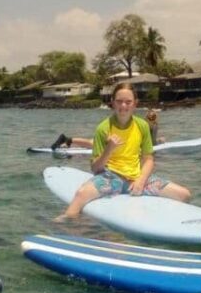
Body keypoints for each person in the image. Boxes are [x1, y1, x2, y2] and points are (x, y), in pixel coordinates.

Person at [55, 82, 191, 220]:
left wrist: (141, 181)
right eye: (119, 101)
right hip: (112, 179)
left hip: (138, 179)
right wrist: (109, 148)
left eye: (128, 102)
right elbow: (96, 168)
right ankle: (65, 224)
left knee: (184, 194)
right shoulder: (103, 128)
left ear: (135, 103)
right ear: (113, 103)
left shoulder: (142, 125)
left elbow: (148, 159)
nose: (123, 106)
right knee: (81, 194)